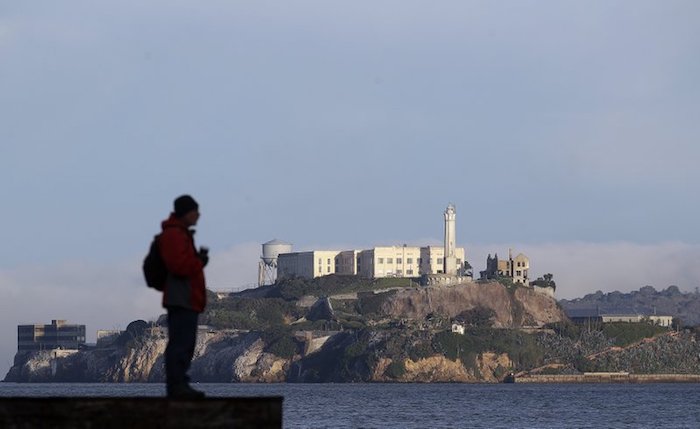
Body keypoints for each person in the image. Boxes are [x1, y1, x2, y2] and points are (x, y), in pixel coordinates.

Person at [159, 194, 209, 398]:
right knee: (180, 344)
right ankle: (176, 385)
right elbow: (178, 266)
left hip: (187, 298)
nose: (198, 215)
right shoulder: (174, 235)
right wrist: (199, 262)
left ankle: (180, 383)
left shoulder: (181, 235)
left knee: (186, 343)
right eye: (195, 211)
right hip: (181, 298)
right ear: (187, 213)